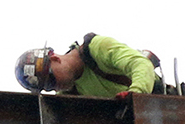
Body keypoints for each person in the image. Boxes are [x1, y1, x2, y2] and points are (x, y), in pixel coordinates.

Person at [14, 34, 158, 97]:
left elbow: (141, 64)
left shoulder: (97, 48)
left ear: (55, 59)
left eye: (51, 80)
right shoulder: (69, 94)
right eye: (48, 88)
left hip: (161, 100)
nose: (55, 88)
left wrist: (135, 93)